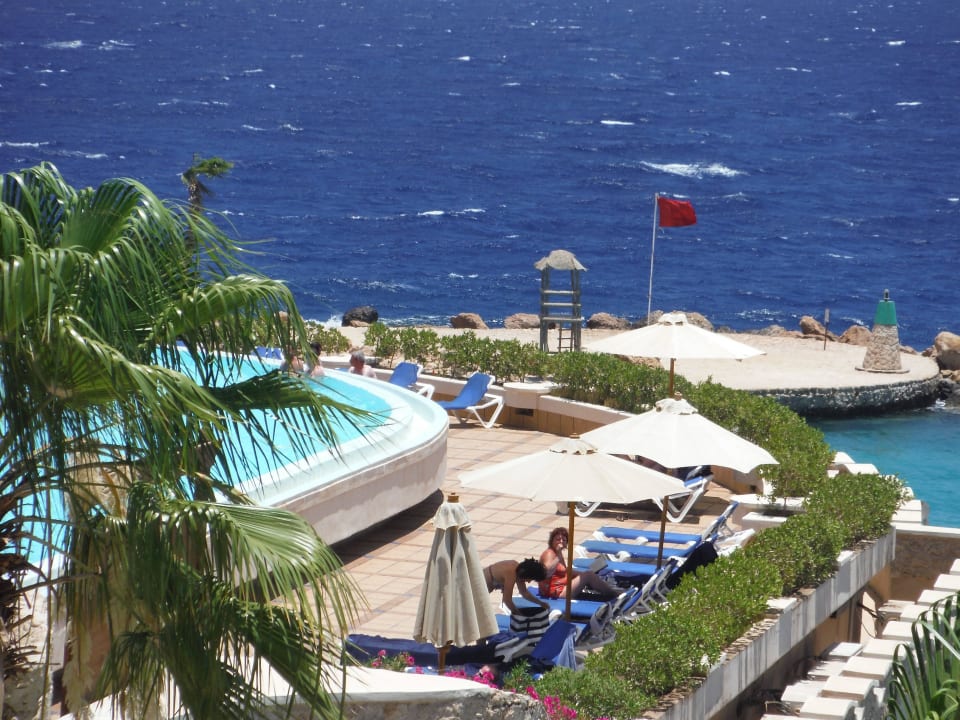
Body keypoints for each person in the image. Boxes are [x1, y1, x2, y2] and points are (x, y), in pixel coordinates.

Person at [538, 527, 622, 600]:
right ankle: (615, 595)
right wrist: (558, 556)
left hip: (560, 588)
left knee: (592, 571)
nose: (561, 542)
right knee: (588, 575)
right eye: (557, 539)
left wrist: (580, 574)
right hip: (556, 593)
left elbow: (564, 571)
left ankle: (606, 588)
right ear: (551, 540)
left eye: (564, 540)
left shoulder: (557, 553)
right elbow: (546, 572)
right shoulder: (549, 554)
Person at [483, 558, 549, 614]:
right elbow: (507, 600)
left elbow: (524, 593)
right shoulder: (511, 573)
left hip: (484, 587)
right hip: (478, 585)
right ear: (527, 574)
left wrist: (540, 603)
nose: (528, 582)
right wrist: (519, 614)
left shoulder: (519, 570)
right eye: (530, 579)